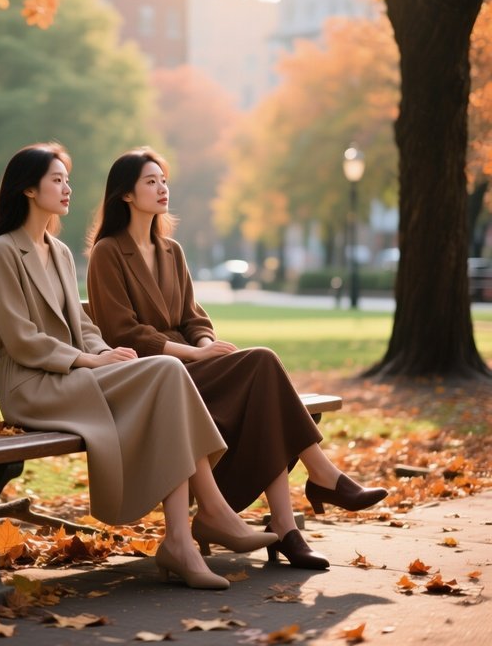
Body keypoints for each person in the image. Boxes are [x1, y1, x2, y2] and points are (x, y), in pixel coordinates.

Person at [0, 143, 278, 591]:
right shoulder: (4, 251)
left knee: (165, 371)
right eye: (57, 179)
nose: (67, 188)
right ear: (29, 190)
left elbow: (82, 322)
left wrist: (105, 352)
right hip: (32, 385)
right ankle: (209, 515)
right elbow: (21, 339)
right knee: (167, 372)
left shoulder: (56, 251)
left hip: (71, 374)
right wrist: (89, 359)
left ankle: (181, 538)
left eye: (67, 179)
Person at [86, 147, 388, 570]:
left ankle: (289, 524)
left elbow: (194, 317)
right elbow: (123, 333)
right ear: (126, 196)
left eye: (164, 180)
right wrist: (196, 351)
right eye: (150, 182)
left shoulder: (172, 251)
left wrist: (207, 342)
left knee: (263, 380)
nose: (162, 188)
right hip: (154, 376)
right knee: (263, 365)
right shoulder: (108, 253)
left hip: (192, 367)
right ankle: (317, 485)